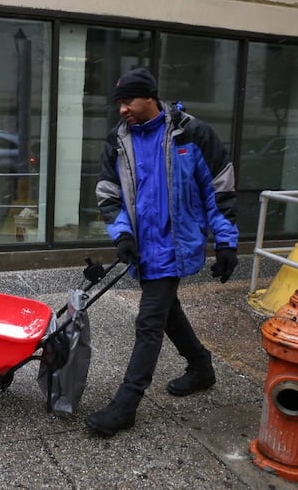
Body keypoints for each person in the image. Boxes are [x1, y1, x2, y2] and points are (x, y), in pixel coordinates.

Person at [87, 67, 239, 436]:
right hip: (143, 248)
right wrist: (122, 235)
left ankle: (127, 402)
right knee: (168, 312)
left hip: (176, 244)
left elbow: (219, 190)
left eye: (129, 101)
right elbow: (109, 193)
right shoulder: (118, 140)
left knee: (149, 321)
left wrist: (226, 242)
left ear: (150, 97)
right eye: (119, 103)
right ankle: (201, 367)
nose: (122, 109)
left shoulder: (191, 133)